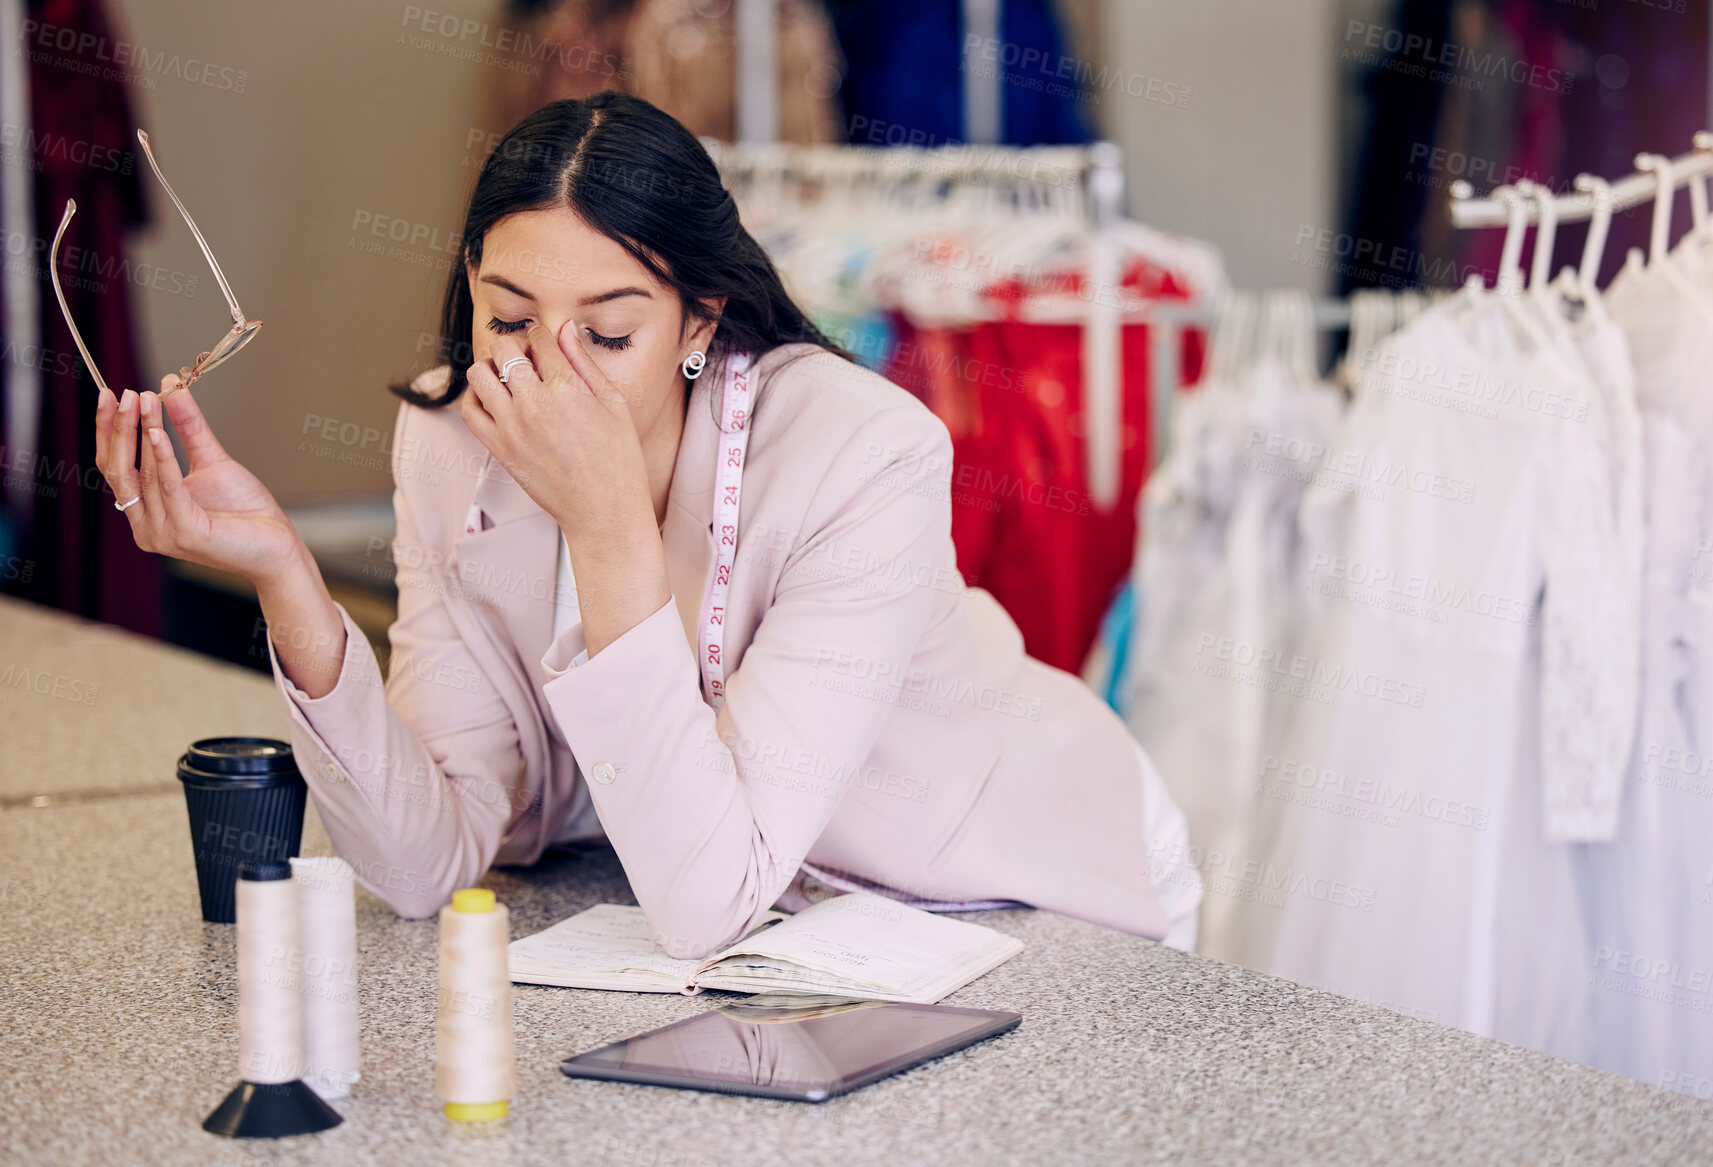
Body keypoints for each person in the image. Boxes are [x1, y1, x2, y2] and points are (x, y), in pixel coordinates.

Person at [95, 91, 1201, 958]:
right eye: (511, 320)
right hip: (788, 944)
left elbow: (706, 902)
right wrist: (288, 580)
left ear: (699, 319)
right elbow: (421, 864)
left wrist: (609, 526)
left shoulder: (864, 452)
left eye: (608, 335)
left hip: (1001, 888)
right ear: (471, 290)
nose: (549, 374)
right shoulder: (451, 435)